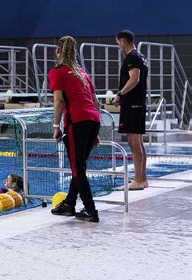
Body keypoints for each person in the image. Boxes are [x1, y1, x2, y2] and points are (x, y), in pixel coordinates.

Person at [48, 36, 102, 223]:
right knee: (79, 167)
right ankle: (69, 204)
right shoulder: (82, 73)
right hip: (93, 121)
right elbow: (96, 102)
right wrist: (95, 133)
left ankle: (91, 210)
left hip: (77, 122)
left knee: (77, 168)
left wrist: (56, 126)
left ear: (58, 52)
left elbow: (59, 100)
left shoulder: (57, 72)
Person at [113, 30, 149, 190]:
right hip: (138, 103)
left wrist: (120, 94)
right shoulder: (140, 56)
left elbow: (134, 80)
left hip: (133, 104)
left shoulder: (132, 57)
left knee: (133, 142)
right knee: (138, 142)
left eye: (118, 42)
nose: (117, 45)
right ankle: (143, 179)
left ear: (123, 41)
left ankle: (138, 181)